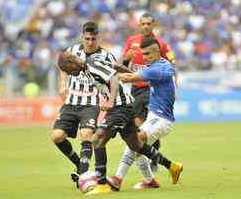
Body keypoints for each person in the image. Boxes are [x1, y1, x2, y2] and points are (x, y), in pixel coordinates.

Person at [58, 39, 183, 195]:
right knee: (136, 145)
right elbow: (114, 67)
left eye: (69, 71)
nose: (71, 74)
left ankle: (102, 184)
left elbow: (113, 79)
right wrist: (126, 70)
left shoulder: (91, 65)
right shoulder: (92, 61)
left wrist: (110, 102)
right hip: (126, 106)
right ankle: (172, 166)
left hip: (120, 107)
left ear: (71, 63)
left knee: (97, 139)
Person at [112, 12, 176, 189]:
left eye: (147, 54)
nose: (144, 57)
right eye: (143, 23)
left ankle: (117, 179)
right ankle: (151, 178)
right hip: (143, 96)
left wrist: (112, 74)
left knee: (137, 139)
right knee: (136, 140)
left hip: (158, 110)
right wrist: (123, 63)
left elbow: (131, 76)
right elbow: (128, 67)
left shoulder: (158, 59)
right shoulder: (138, 47)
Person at [51, 21, 117, 188]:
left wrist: (110, 99)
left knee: (86, 134)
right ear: (82, 36)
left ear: (98, 38)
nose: (89, 42)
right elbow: (62, 65)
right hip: (71, 102)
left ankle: (83, 175)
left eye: (93, 39)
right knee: (57, 136)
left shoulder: (107, 56)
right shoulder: (73, 51)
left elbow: (114, 78)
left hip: (90, 103)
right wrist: (63, 83)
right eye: (86, 38)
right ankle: (80, 165)